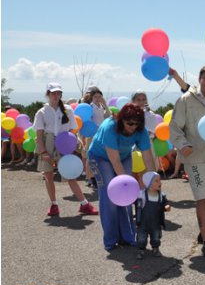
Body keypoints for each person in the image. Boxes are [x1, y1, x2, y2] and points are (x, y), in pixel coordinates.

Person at [169, 65, 205, 258]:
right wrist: (182, 145)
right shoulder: (185, 100)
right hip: (196, 158)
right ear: (200, 79)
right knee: (203, 197)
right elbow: (175, 127)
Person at [88, 103, 155, 249]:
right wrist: (128, 185)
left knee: (126, 199)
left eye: (136, 124)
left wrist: (153, 179)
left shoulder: (140, 131)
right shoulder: (110, 127)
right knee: (110, 196)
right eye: (129, 123)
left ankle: (128, 236)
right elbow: (114, 161)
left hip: (124, 156)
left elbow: (148, 158)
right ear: (121, 120)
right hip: (100, 157)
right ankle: (110, 240)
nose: (133, 127)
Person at [34, 83, 99, 217]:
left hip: (64, 143)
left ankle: (84, 204)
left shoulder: (68, 109)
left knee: (70, 175)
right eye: (53, 93)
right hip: (48, 143)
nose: (56, 96)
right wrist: (44, 152)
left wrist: (71, 144)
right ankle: (53, 205)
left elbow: (72, 130)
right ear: (48, 94)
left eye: (58, 93)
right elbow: (39, 136)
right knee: (49, 175)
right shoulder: (41, 112)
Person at [135, 171, 171, 259]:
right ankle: (141, 249)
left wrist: (166, 206)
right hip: (143, 222)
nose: (160, 182)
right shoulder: (142, 194)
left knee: (156, 236)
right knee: (141, 237)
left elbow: (164, 202)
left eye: (160, 180)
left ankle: (155, 248)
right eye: (156, 181)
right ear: (149, 184)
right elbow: (135, 201)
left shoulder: (161, 195)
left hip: (156, 222)